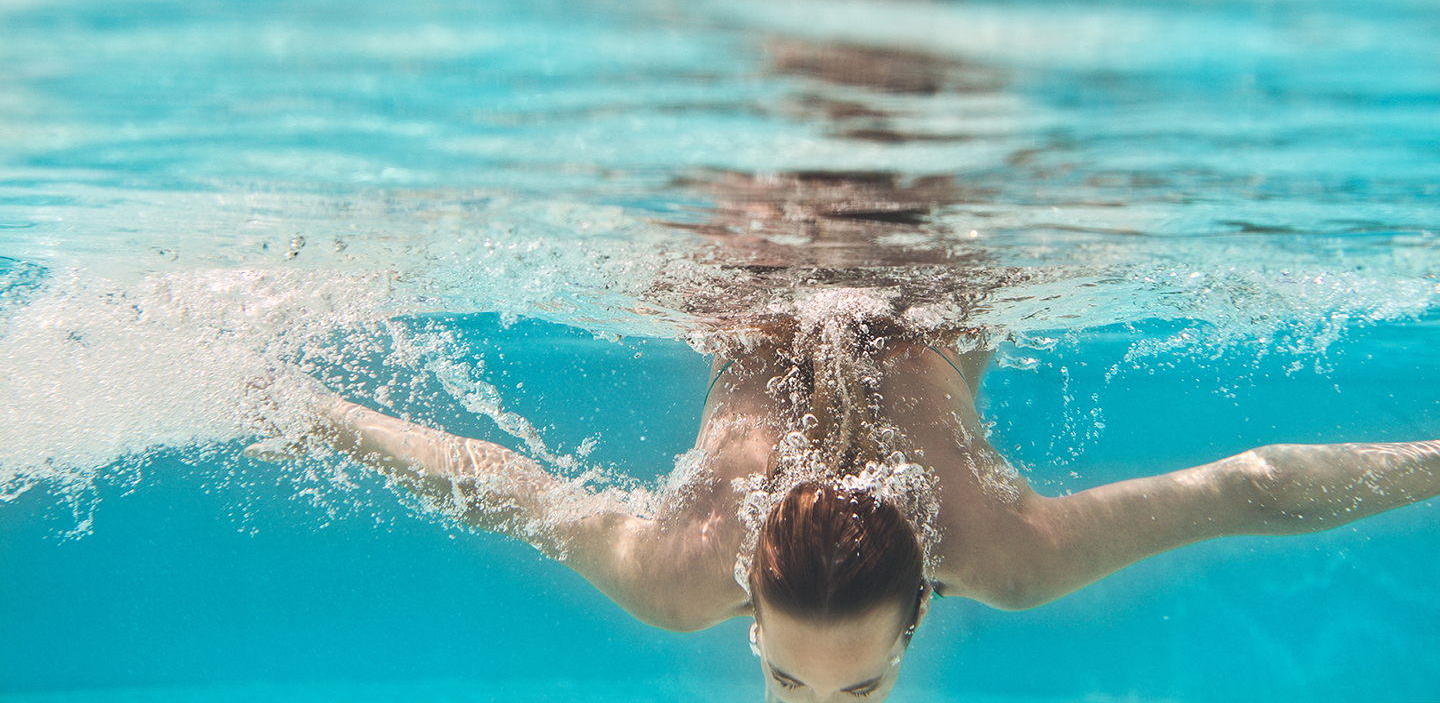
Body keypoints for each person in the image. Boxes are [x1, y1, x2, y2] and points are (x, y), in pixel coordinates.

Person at [246, 306, 1440, 703]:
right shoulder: (1000, 554)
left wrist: (305, 409)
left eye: (841, 689)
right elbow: (1246, 491)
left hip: (766, 250)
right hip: (927, 262)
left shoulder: (680, 568)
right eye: (820, 688)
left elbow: (495, 492)